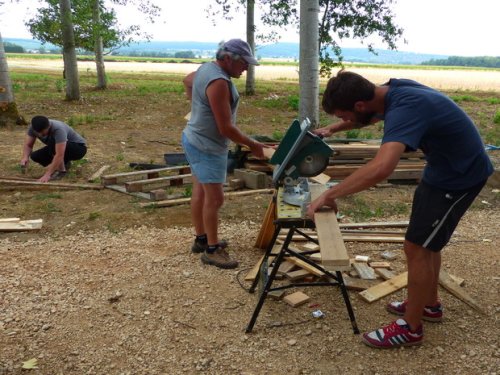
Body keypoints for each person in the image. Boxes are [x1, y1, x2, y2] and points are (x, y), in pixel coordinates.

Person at [307, 70, 493, 349]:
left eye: (344, 117)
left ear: (359, 105)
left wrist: (329, 194)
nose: (344, 122)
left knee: (416, 248)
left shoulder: (405, 109)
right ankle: (429, 305)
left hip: (459, 176)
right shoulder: (389, 92)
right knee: (426, 245)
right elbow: (371, 116)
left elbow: (382, 168)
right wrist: (334, 129)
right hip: (440, 170)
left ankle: (411, 328)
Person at [181, 39, 267, 269]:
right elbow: (226, 128)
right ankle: (212, 249)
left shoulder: (206, 68)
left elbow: (187, 81)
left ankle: (201, 239)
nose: (247, 68)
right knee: (216, 198)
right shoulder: (219, 82)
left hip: (193, 137)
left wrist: (197, 105)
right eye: (244, 63)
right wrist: (254, 145)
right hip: (207, 146)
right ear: (228, 58)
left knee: (200, 190)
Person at [20, 116, 87, 182]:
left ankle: (61, 171)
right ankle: (65, 163)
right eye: (38, 132)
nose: (40, 134)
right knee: (35, 156)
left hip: (78, 148)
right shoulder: (33, 128)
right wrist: (25, 157)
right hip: (59, 147)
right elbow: (28, 145)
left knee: (53, 141)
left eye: (42, 132)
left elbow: (59, 154)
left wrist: (48, 174)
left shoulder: (58, 129)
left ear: (48, 126)